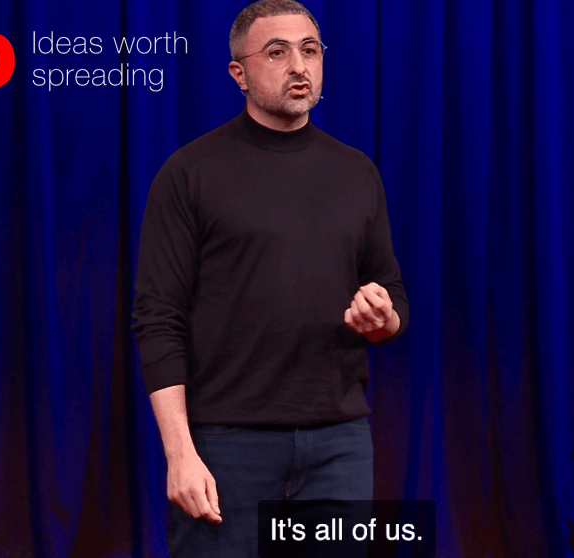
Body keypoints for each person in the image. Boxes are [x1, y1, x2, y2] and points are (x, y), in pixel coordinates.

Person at [131, 1, 409, 555]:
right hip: (225, 446)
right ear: (239, 73)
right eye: (277, 52)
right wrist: (180, 453)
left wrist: (382, 320)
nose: (299, 66)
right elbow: (158, 318)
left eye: (310, 50)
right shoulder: (190, 173)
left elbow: (391, 294)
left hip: (339, 446)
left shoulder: (356, 172)